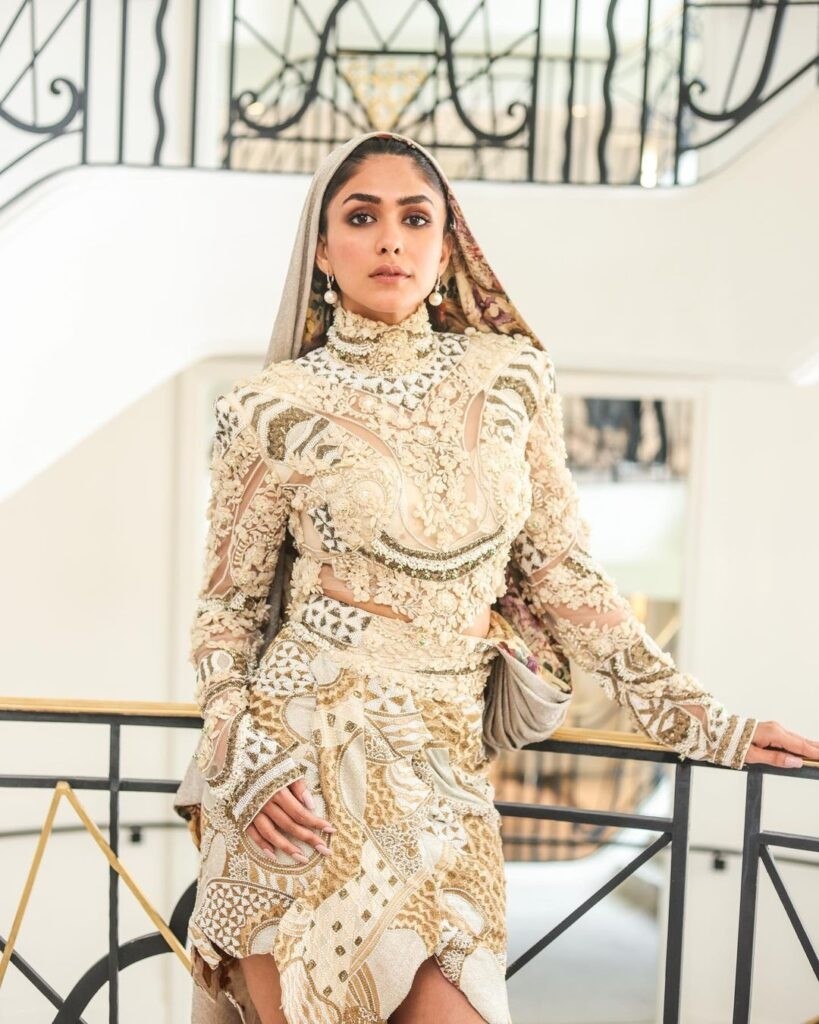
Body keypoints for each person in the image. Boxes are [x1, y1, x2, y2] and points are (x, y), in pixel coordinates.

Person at [172, 131, 819, 1024]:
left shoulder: (511, 376)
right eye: (360, 217)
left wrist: (704, 723)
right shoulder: (266, 407)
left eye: (415, 218)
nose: (389, 239)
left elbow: (562, 573)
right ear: (321, 250)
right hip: (298, 764)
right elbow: (228, 609)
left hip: (444, 764)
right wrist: (237, 750)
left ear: (447, 249)